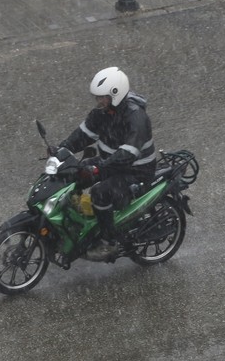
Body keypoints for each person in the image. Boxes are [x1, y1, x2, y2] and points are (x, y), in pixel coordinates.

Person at [57, 66, 157, 259]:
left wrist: (97, 168)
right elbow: (83, 135)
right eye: (97, 97)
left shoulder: (136, 117)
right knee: (73, 173)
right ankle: (81, 225)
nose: (98, 101)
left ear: (115, 94)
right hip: (110, 163)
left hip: (136, 170)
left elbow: (128, 154)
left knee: (100, 193)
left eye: (102, 97)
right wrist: (63, 149)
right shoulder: (102, 113)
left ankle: (108, 241)